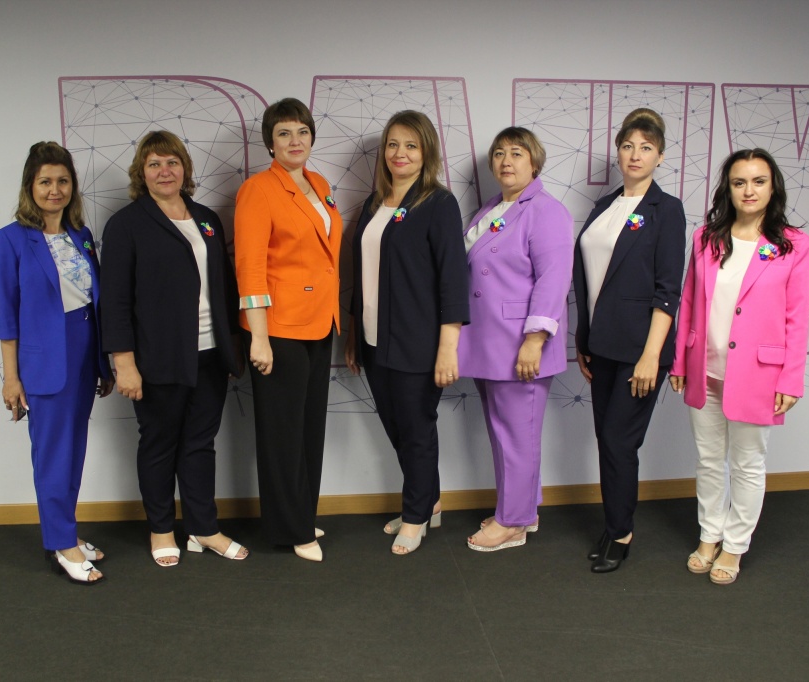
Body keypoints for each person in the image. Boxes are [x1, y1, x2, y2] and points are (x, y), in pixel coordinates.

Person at [102, 130, 247, 567]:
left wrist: (232, 346)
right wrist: (124, 363)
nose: (164, 171)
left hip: (210, 354)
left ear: (184, 168)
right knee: (160, 444)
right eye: (154, 164)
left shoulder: (206, 218)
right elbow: (115, 301)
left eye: (172, 162)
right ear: (141, 173)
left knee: (200, 443)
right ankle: (162, 529)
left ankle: (204, 528)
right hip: (156, 359)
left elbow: (223, 286)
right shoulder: (126, 224)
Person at [670, 149, 809, 585]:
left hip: (758, 374)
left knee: (748, 463)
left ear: (773, 187)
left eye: (758, 181)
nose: (749, 191)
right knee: (709, 460)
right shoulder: (706, 238)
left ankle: (734, 545)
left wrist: (791, 378)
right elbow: (689, 302)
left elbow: (797, 318)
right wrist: (680, 360)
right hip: (705, 368)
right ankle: (709, 535)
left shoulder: (794, 245)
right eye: (739, 182)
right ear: (727, 189)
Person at [345, 110, 470, 555]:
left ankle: (416, 516)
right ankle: (428, 501)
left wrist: (448, 348)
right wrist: (354, 335)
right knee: (397, 427)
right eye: (393, 144)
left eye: (411, 145)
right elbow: (362, 273)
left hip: (418, 342)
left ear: (426, 152)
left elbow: (453, 280)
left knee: (416, 430)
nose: (400, 153)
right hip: (375, 340)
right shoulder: (372, 204)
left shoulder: (438, 204)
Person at [0, 142, 113, 585]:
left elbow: (94, 302)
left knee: (73, 450)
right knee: (52, 455)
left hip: (84, 351)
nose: (54, 190)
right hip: (45, 361)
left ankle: (67, 533)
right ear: (30, 185)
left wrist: (103, 362)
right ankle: (62, 544)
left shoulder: (81, 234)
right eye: (45, 181)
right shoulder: (11, 239)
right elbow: (8, 315)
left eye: (63, 181)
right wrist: (11, 378)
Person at [573, 108, 686, 573]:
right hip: (601, 345)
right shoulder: (604, 206)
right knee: (607, 440)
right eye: (627, 146)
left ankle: (621, 532)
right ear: (618, 152)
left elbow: (668, 289)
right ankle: (613, 521)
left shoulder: (667, 210)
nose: (635, 154)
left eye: (646, 147)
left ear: (660, 156)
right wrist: (583, 337)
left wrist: (651, 356)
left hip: (641, 350)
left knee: (620, 441)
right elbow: (591, 278)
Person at [234, 98, 342, 562]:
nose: (295, 141)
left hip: (320, 321)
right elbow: (250, 268)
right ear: (270, 142)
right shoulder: (258, 190)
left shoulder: (319, 184)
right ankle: (290, 528)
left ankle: (301, 514)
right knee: (282, 433)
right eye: (284, 133)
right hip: (278, 328)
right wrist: (258, 337)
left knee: (309, 429)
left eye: (302, 131)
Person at [457, 127, 574, 552]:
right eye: (500, 153)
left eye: (517, 153)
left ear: (535, 162)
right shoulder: (492, 207)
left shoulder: (546, 210)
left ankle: (514, 521)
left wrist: (534, 340)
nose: (507, 161)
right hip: (488, 340)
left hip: (519, 343)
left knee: (517, 435)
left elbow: (553, 279)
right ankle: (519, 508)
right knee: (505, 433)